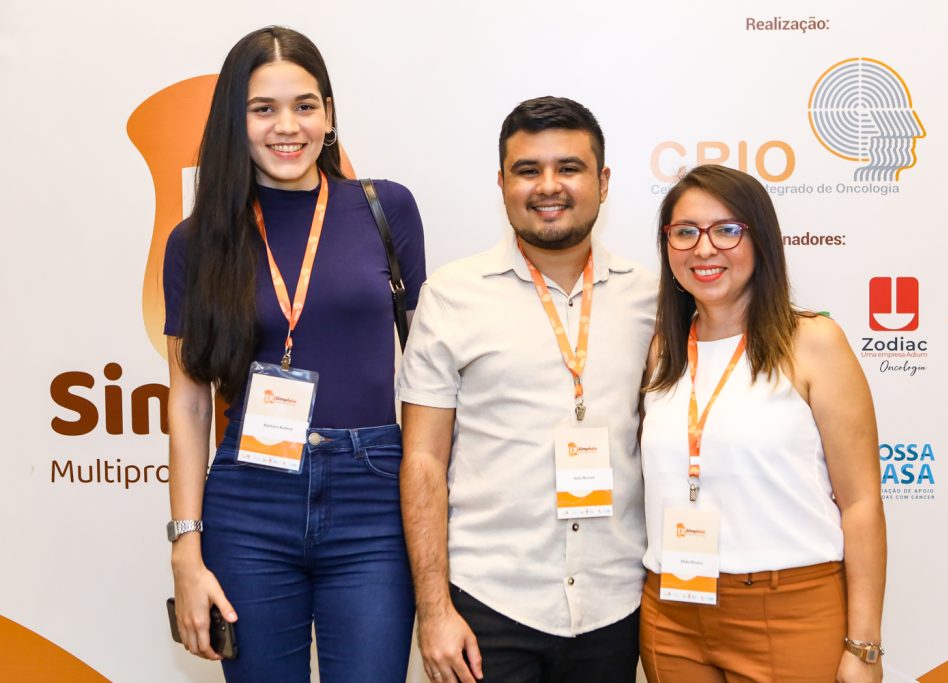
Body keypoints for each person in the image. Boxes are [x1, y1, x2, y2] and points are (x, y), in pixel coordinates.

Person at [163, 26, 425, 683]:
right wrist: (186, 550)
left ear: (330, 116)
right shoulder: (196, 242)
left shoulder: (384, 208)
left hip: (374, 497)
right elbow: (191, 402)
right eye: (264, 108)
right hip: (248, 502)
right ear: (235, 120)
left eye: (305, 105)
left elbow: (428, 378)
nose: (288, 126)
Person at [397, 96, 657, 683]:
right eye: (527, 170)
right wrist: (434, 610)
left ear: (603, 181)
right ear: (502, 182)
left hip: (616, 605)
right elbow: (423, 460)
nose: (549, 186)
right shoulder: (452, 295)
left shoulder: (653, 300)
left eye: (569, 168)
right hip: (488, 604)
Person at [639, 164, 886, 682]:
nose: (703, 249)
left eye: (727, 229)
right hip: (673, 613)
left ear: (762, 239)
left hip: (789, 611)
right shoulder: (662, 350)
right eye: (684, 232)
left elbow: (861, 503)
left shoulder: (813, 342)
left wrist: (864, 647)